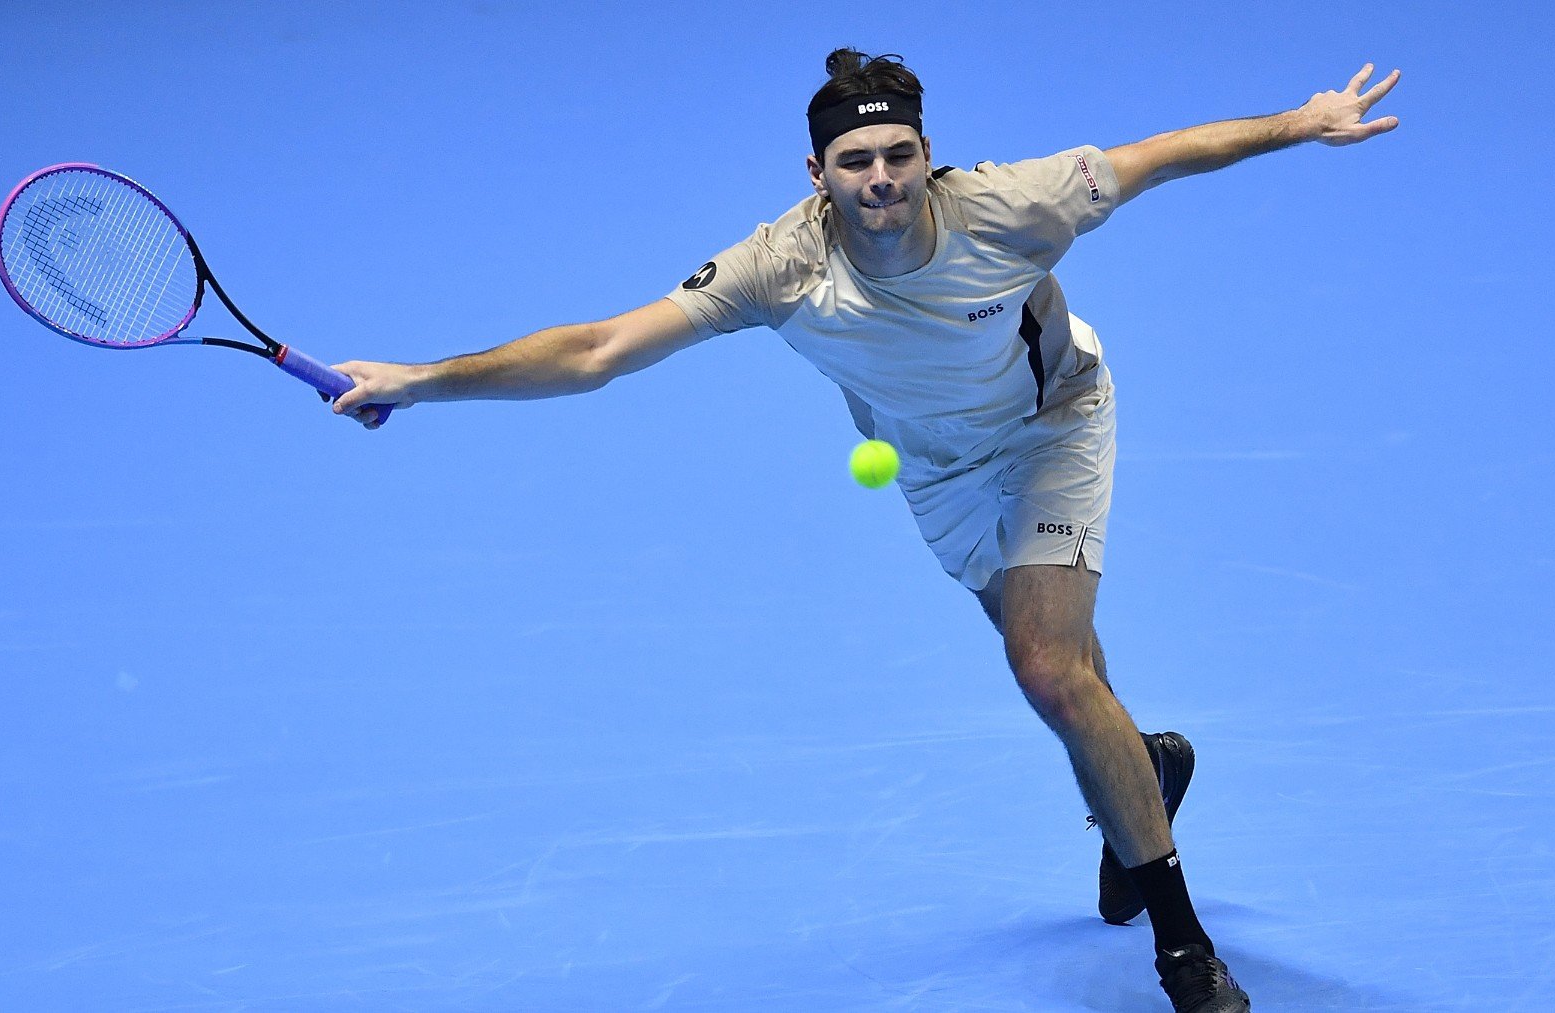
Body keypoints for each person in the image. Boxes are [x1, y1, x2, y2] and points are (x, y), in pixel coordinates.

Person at [328, 49, 1401, 1013]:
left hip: (1053, 426)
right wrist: (424, 382)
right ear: (817, 175)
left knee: (1048, 667)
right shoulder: (780, 266)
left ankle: (1184, 950)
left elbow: (1158, 155)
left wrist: (1299, 123)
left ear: (929, 155)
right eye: (854, 161)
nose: (878, 178)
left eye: (898, 154)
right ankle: (1144, 776)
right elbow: (601, 347)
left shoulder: (1009, 209)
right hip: (935, 469)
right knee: (1070, 679)